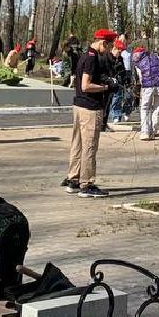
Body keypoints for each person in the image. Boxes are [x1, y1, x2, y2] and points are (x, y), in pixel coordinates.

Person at [63, 29, 113, 198]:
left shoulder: (84, 55)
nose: (107, 50)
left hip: (79, 106)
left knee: (77, 144)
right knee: (89, 146)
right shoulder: (92, 59)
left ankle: (73, 180)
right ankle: (87, 184)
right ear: (102, 42)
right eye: (107, 46)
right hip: (90, 108)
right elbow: (86, 85)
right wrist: (106, 87)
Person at [135, 42, 159, 140]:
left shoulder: (138, 62)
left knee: (145, 108)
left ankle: (145, 132)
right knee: (157, 107)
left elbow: (140, 76)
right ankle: (153, 130)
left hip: (147, 86)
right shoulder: (156, 57)